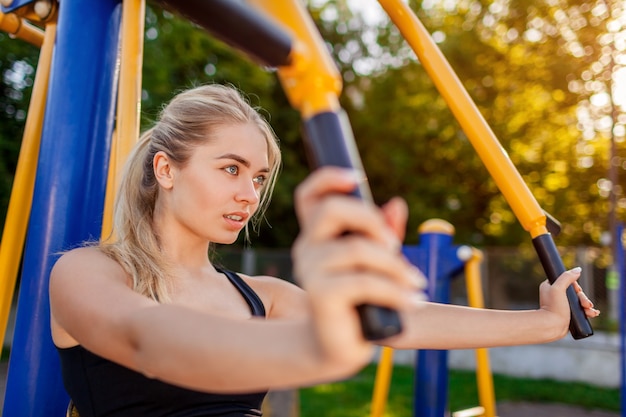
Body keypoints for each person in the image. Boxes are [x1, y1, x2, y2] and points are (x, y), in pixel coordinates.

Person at [49, 84, 599, 417]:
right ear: (166, 169)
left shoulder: (260, 296)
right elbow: (149, 341)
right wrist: (321, 342)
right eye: (231, 169)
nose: (250, 192)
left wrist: (545, 322)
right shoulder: (87, 272)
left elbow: (400, 321)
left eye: (259, 176)